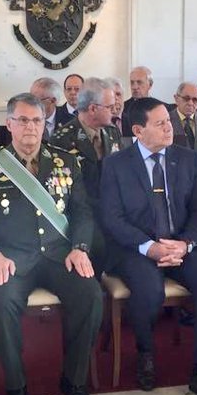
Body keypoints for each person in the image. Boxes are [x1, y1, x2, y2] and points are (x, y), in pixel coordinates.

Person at [0, 93, 103, 395]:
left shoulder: (65, 160)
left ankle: (75, 380)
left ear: (45, 124)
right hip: (11, 258)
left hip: (59, 256)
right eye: (23, 120)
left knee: (91, 293)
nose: (30, 127)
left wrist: (80, 248)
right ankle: (16, 385)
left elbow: (83, 213)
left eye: (37, 120)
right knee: (1, 299)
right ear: (9, 124)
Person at [100, 97, 197, 395]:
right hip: (136, 248)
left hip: (181, 244)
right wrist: (151, 248)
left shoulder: (187, 159)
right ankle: (145, 352)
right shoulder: (115, 164)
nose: (169, 127)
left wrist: (184, 244)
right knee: (149, 290)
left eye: (168, 121)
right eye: (160, 123)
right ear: (138, 130)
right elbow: (112, 218)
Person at [49, 78, 121, 275]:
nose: (114, 110)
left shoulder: (112, 132)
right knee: (98, 245)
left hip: (111, 209)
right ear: (92, 109)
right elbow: (62, 190)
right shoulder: (62, 139)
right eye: (109, 106)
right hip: (80, 212)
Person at [168, 82, 197, 150]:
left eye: (195, 100)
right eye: (186, 98)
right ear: (176, 98)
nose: (190, 103)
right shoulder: (166, 121)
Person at [121, 66, 157, 133]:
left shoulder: (161, 108)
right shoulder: (122, 109)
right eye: (132, 83)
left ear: (150, 85)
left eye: (139, 82)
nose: (135, 87)